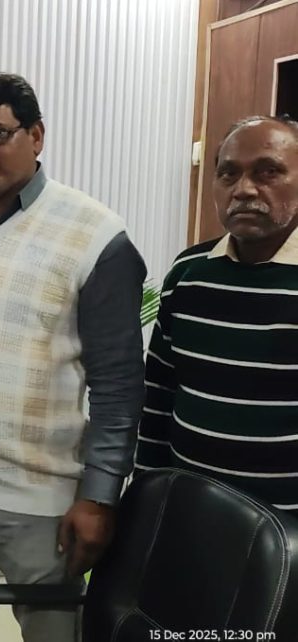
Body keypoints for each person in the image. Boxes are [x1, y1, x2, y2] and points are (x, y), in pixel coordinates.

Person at [0, 73, 147, 642]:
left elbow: (117, 384)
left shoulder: (95, 236)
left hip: (42, 503)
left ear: (36, 136)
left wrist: (99, 496)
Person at [137, 115, 298, 513]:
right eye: (228, 173)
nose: (243, 189)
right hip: (188, 515)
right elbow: (158, 395)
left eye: (268, 172)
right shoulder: (188, 273)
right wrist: (143, 499)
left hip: (289, 530)